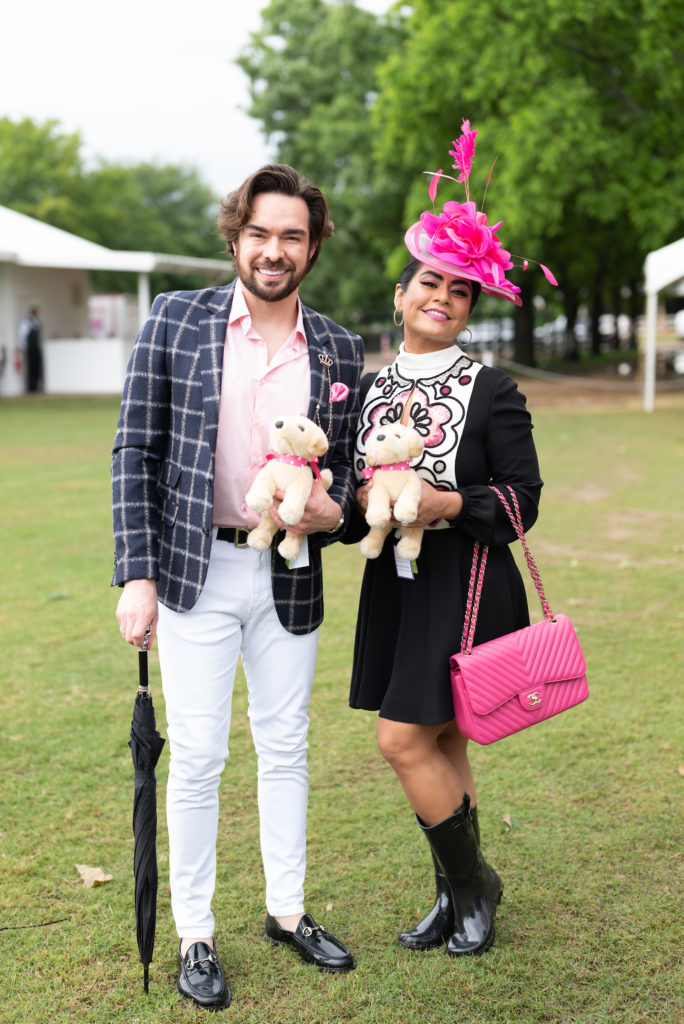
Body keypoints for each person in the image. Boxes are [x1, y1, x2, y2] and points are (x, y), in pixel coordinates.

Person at [112, 164, 362, 1010]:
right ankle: (195, 933)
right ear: (236, 236)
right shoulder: (175, 320)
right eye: (260, 233)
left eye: (292, 235)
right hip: (194, 571)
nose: (274, 250)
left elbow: (356, 490)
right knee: (201, 758)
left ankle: (287, 913)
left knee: (286, 746)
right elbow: (133, 452)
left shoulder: (337, 346)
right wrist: (136, 574)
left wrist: (333, 510)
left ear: (313, 245)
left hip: (289, 575)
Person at [347, 122, 550, 957]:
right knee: (438, 739)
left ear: (469, 307)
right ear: (400, 296)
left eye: (459, 291)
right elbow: (353, 494)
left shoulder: (492, 387)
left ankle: (473, 889)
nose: (442, 297)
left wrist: (443, 502)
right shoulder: (368, 388)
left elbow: (521, 501)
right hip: (392, 585)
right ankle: (457, 889)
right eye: (428, 283)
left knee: (403, 739)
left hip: (465, 584)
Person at [17, 305, 43, 392]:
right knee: (31, 367)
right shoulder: (26, 322)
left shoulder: (37, 322)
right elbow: (22, 336)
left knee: (37, 366)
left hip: (36, 347)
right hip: (30, 348)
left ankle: (36, 385)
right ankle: (31, 387)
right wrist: (22, 347)